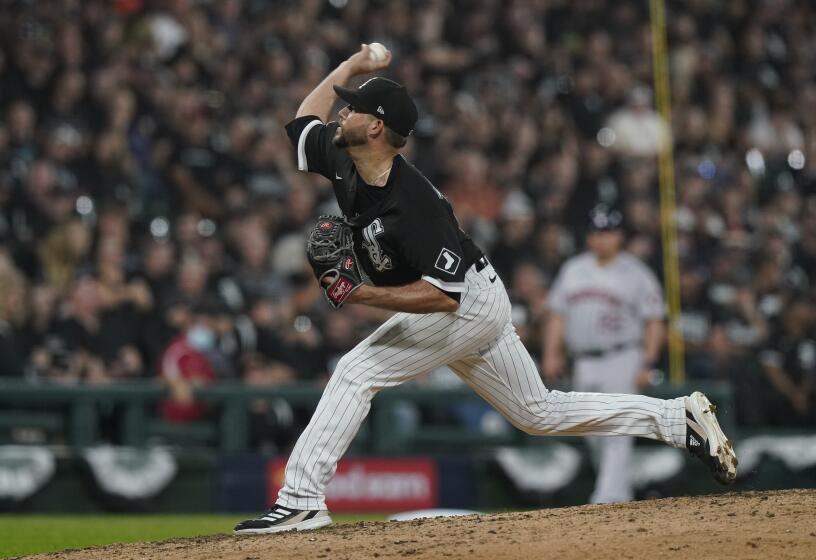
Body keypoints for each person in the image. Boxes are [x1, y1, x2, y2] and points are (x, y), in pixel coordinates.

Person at [234, 45, 737, 535]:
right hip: (472, 300)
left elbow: (442, 296)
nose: (340, 111)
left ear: (376, 126)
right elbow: (303, 121)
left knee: (355, 371)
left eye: (353, 106)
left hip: (464, 303)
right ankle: (677, 419)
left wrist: (361, 294)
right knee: (538, 413)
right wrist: (352, 64)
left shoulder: (412, 204)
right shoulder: (345, 157)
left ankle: (300, 500)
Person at [541, 206, 665, 504]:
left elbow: (654, 321)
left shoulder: (635, 273)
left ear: (620, 236)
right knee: (590, 429)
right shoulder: (573, 269)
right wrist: (551, 353)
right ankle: (620, 492)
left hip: (622, 356)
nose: (601, 239)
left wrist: (648, 362)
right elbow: (556, 316)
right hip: (584, 360)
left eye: (607, 233)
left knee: (617, 426)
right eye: (596, 232)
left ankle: (607, 498)